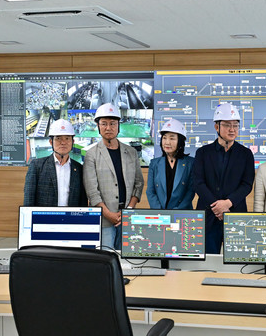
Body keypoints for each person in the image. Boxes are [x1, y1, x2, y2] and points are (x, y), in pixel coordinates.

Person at [193, 103, 254, 254]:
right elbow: (198, 183)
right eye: (227, 125)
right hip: (208, 215)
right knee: (207, 260)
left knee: (236, 260)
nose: (232, 129)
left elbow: (246, 184)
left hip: (235, 214)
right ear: (216, 127)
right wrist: (217, 207)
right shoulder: (203, 153)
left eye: (235, 125)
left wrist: (227, 203)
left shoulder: (246, 154)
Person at [83, 103, 143, 250]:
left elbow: (138, 184)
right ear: (98, 126)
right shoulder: (91, 155)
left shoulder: (131, 153)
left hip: (128, 217)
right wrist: (109, 214)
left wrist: (129, 209)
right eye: (104, 123)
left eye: (112, 123)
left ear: (118, 126)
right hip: (105, 220)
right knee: (106, 257)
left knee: (127, 257)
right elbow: (92, 191)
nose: (108, 128)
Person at [23, 118, 87, 207]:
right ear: (51, 142)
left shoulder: (79, 169)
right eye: (58, 138)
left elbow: (83, 202)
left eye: (67, 138)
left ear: (73, 142)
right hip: (45, 216)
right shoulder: (37, 166)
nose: (63, 142)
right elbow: (28, 200)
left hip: (70, 216)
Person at [146, 118, 195, 209]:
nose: (167, 142)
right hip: (159, 213)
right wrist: (160, 212)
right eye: (164, 138)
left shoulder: (190, 163)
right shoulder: (154, 163)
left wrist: (175, 212)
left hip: (182, 213)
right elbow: (150, 192)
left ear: (180, 141)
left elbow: (190, 191)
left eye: (172, 138)